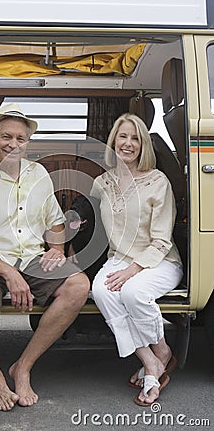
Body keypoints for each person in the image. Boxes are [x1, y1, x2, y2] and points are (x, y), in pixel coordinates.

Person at [0, 103, 90, 411]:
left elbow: (55, 223)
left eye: (21, 138)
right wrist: (9, 272)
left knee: (79, 286)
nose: (13, 144)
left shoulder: (39, 174)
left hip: (32, 258)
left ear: (28, 142)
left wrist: (57, 249)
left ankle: (23, 367)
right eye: (6, 137)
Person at [90, 113, 183, 406]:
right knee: (101, 291)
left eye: (135, 138)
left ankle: (162, 352)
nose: (128, 144)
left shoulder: (158, 181)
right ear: (113, 141)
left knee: (133, 293)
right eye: (123, 136)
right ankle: (152, 359)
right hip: (119, 258)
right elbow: (89, 220)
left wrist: (132, 270)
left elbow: (161, 240)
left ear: (143, 145)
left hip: (160, 260)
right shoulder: (101, 182)